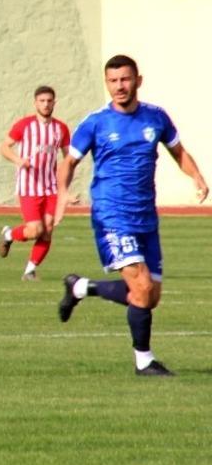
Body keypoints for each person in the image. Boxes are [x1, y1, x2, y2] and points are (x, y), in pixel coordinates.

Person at [54, 55, 208, 376]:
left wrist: (196, 177)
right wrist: (63, 193)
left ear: (138, 80)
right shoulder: (95, 122)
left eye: (125, 79)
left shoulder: (156, 118)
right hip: (112, 215)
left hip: (145, 218)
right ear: (106, 83)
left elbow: (178, 151)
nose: (119, 86)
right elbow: (68, 162)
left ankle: (80, 288)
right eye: (113, 81)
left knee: (149, 296)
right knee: (139, 286)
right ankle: (144, 362)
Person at [0, 85, 71, 280]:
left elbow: (68, 159)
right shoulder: (24, 125)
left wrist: (65, 189)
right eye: (42, 101)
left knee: (47, 230)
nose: (46, 104)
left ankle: (30, 270)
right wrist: (19, 161)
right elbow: (4, 147)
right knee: (34, 230)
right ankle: (9, 235)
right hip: (29, 187)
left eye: (49, 101)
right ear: (35, 103)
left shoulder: (60, 128)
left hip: (51, 187)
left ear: (54, 102)